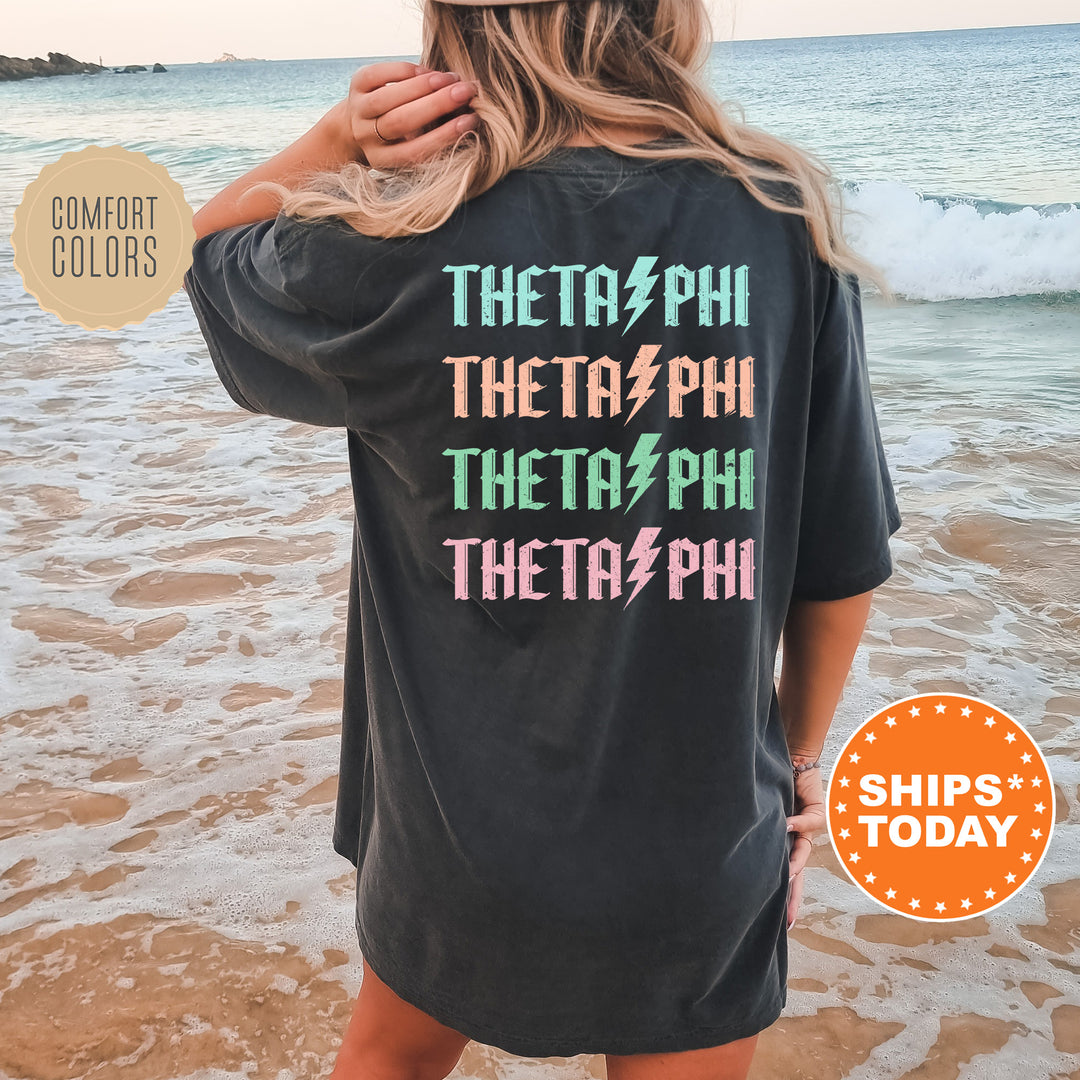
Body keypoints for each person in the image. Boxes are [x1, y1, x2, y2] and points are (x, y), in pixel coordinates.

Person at [182, 0, 903, 1077]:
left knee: (387, 1057)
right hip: (697, 832)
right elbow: (842, 560)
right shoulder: (778, 219)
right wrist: (801, 764)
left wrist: (338, 142)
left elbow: (201, 252)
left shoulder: (392, 237)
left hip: (453, 836)